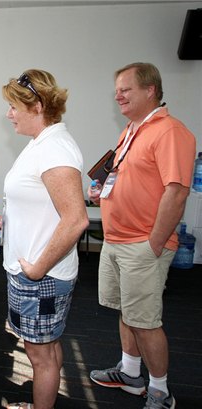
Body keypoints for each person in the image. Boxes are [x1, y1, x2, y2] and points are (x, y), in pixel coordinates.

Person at [88, 63, 195, 409]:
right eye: (116, 89)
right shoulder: (132, 130)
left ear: (150, 90)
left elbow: (176, 191)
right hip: (117, 239)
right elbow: (125, 175)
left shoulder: (170, 131)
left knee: (146, 322)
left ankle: (161, 391)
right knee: (127, 312)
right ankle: (131, 374)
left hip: (143, 244)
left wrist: (154, 244)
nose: (117, 95)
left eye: (125, 89)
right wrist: (102, 190)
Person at [0, 70, 89, 409]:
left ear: (36, 106)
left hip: (41, 277)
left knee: (40, 356)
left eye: (12, 107)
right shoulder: (41, 143)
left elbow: (76, 219)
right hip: (34, 271)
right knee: (46, 347)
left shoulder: (54, 148)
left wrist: (36, 270)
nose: (9, 114)